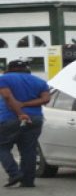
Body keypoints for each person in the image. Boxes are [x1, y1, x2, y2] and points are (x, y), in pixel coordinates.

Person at [0, 60, 50, 188]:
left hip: (11, 118)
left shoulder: (4, 79)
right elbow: (46, 99)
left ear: (10, 69)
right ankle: (28, 181)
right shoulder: (40, 81)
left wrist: (20, 112)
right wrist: (25, 104)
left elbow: (7, 96)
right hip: (35, 119)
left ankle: (14, 173)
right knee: (29, 149)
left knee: (3, 147)